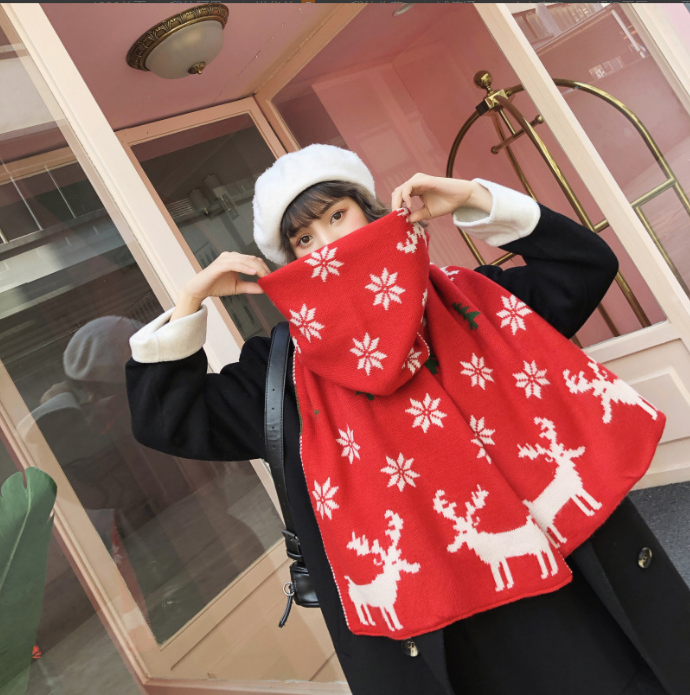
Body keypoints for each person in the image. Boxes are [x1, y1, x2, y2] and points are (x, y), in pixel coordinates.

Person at [126, 144, 690, 695]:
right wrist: (190, 303)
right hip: (449, 631)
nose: (328, 245)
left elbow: (584, 266)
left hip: (580, 577)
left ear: (372, 212)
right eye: (304, 238)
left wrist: (475, 199)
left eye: (337, 215)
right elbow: (168, 420)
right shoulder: (281, 372)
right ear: (292, 263)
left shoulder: (468, 299)